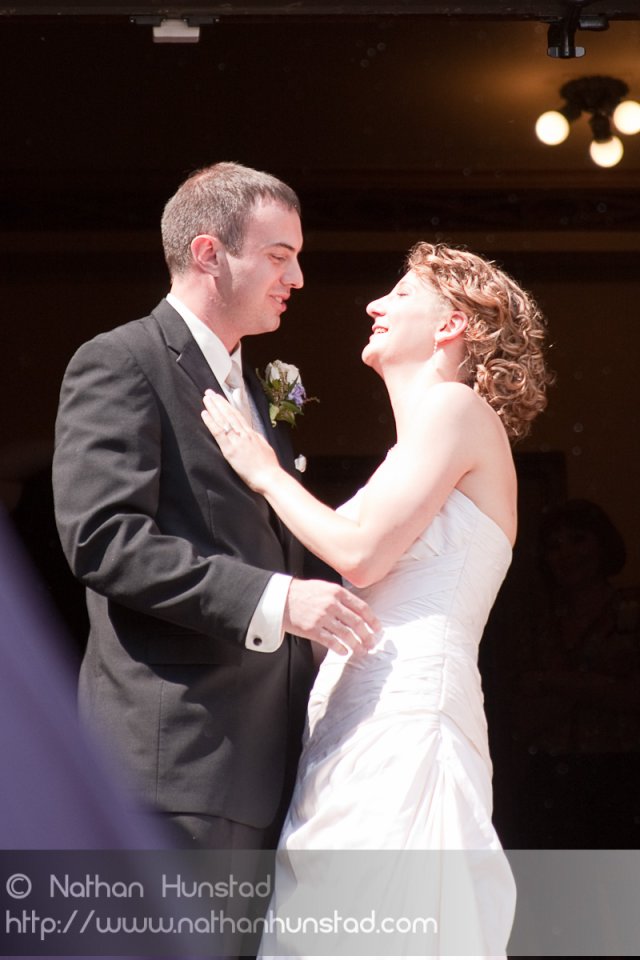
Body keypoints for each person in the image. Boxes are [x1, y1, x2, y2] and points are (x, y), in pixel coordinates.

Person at [202, 241, 551, 958]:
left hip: (407, 723)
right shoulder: (423, 440)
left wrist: (266, 474)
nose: (373, 306)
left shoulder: (457, 409)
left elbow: (359, 551)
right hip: (359, 723)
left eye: (399, 294)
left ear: (452, 324)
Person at [52, 162, 378, 853]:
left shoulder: (259, 390)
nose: (296, 280)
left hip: (268, 769)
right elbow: (105, 539)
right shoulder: (122, 361)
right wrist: (277, 601)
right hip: (176, 770)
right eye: (278, 257)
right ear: (208, 254)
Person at [513, 499, 640, 848]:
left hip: (623, 772)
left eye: (578, 539)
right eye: (554, 546)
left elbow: (634, 698)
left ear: (601, 544)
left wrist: (551, 682)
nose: (567, 554)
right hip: (548, 776)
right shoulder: (537, 625)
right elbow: (521, 715)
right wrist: (597, 683)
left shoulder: (630, 613)